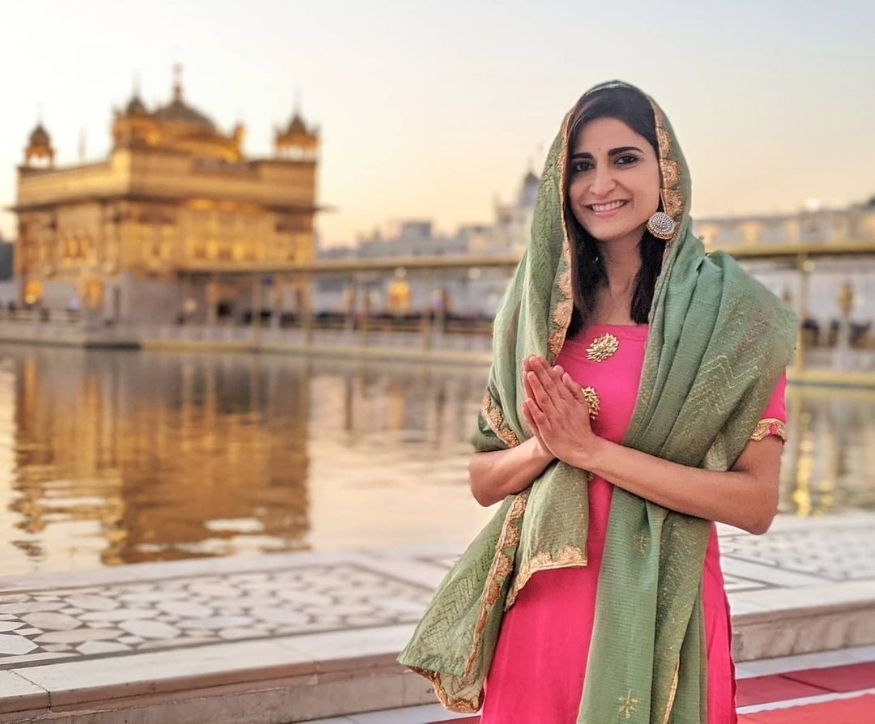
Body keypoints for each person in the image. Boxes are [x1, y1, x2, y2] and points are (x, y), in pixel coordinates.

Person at [398, 80, 797, 724]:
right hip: (542, 600)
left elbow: (754, 504)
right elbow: (482, 479)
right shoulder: (536, 315)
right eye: (581, 165)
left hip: (662, 605)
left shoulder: (732, 318)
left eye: (625, 159)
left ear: (666, 173)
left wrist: (589, 451)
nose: (599, 183)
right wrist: (547, 445)